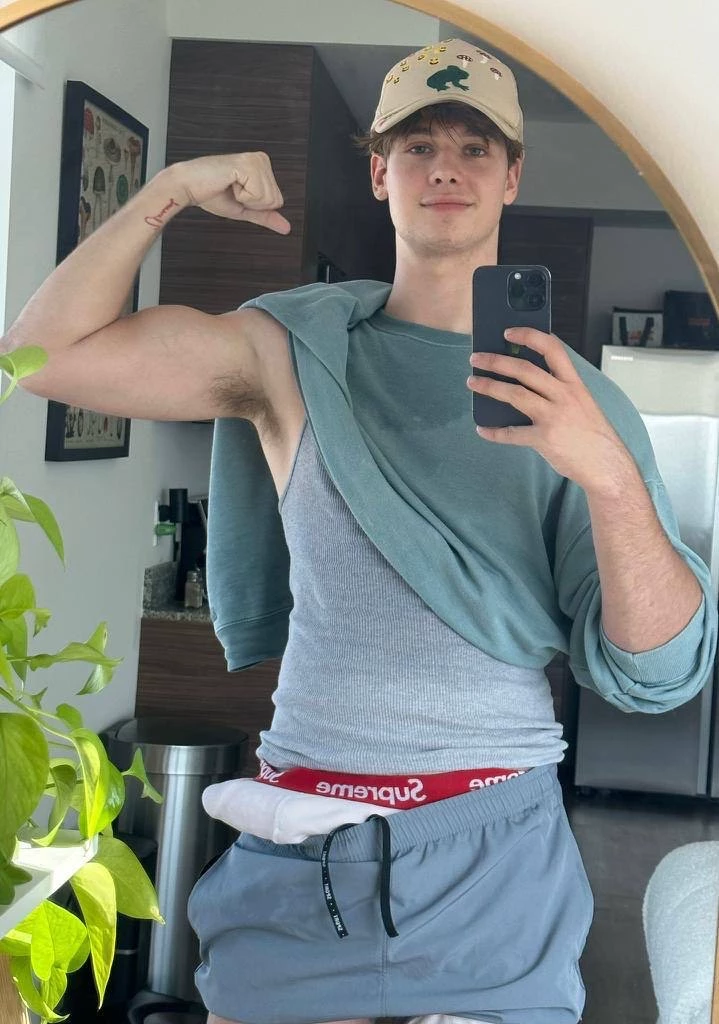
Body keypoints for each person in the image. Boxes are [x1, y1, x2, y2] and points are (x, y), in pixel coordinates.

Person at [4, 37, 717, 1024]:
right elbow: (43, 358)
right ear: (379, 172)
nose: (444, 169)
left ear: (511, 176)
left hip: (494, 856)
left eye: (473, 147)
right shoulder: (292, 351)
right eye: (417, 145)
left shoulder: (583, 402)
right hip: (301, 841)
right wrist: (166, 190)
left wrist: (605, 474)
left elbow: (660, 671)